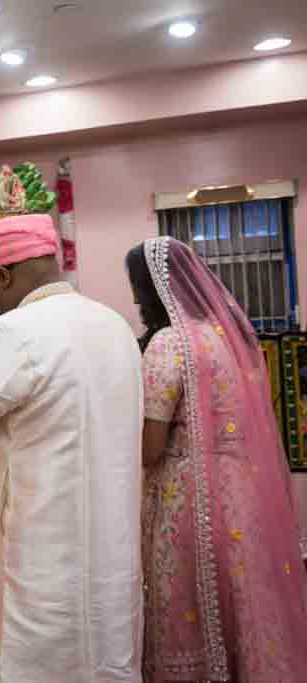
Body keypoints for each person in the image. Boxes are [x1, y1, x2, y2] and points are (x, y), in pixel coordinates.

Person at [0, 213, 143, 682]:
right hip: (112, 545)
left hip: (42, 550)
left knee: (40, 660)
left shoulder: (14, 333)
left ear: (5, 275)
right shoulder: (115, 326)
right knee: (105, 655)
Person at [127, 237, 307, 682]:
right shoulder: (229, 338)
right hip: (241, 489)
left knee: (188, 596)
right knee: (243, 591)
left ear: (151, 288)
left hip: (188, 496)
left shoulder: (168, 344)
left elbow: (151, 448)